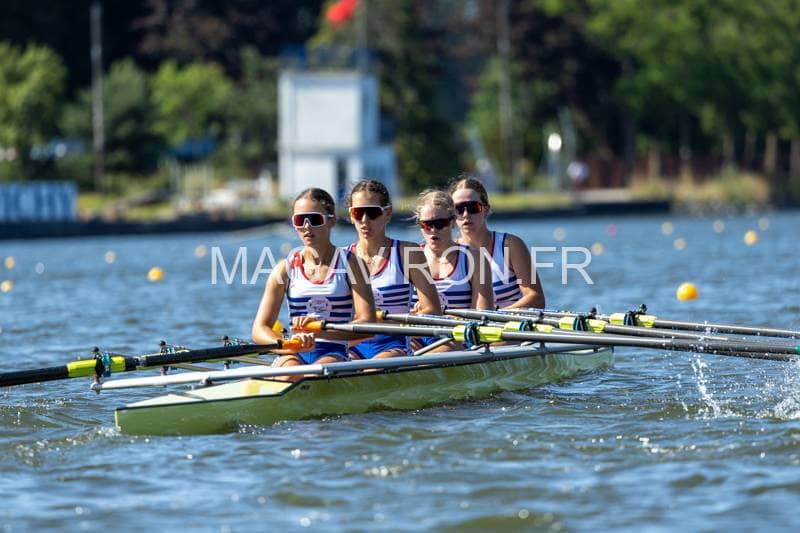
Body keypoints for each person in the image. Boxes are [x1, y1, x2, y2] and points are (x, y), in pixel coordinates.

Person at [252, 188, 376, 372]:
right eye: (300, 220)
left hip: (333, 352)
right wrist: (286, 344)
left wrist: (320, 332)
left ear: (331, 221)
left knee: (313, 375)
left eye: (314, 219)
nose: (307, 226)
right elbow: (259, 329)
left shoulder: (353, 265)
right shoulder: (283, 269)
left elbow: (368, 324)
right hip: (295, 351)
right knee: (288, 375)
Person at [347, 179, 442, 359]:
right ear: (351, 216)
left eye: (373, 212)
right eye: (358, 213)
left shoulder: (408, 253)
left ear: (388, 213)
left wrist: (381, 320)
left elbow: (432, 311)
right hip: (354, 344)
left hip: (394, 344)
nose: (365, 220)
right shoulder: (342, 258)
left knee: (371, 370)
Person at [411, 189, 494, 352]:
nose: (433, 230)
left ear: (452, 222)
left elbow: (482, 316)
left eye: (440, 224)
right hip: (417, 335)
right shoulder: (410, 258)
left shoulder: (474, 259)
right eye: (426, 225)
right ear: (420, 225)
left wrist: (435, 316)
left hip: (459, 337)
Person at [449, 176, 545, 309]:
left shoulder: (510, 245)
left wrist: (495, 316)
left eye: (472, 207)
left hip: (507, 319)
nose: (465, 214)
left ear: (486, 209)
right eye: (458, 209)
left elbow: (536, 298)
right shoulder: (448, 252)